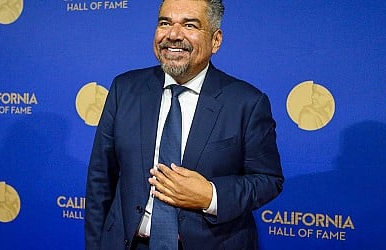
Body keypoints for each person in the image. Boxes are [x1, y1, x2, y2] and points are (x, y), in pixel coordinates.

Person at [85, 0, 284, 249]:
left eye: (190, 25)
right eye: (165, 23)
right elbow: (100, 180)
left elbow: (268, 179)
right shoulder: (124, 89)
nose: (173, 35)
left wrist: (210, 195)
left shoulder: (247, 102)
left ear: (216, 40)